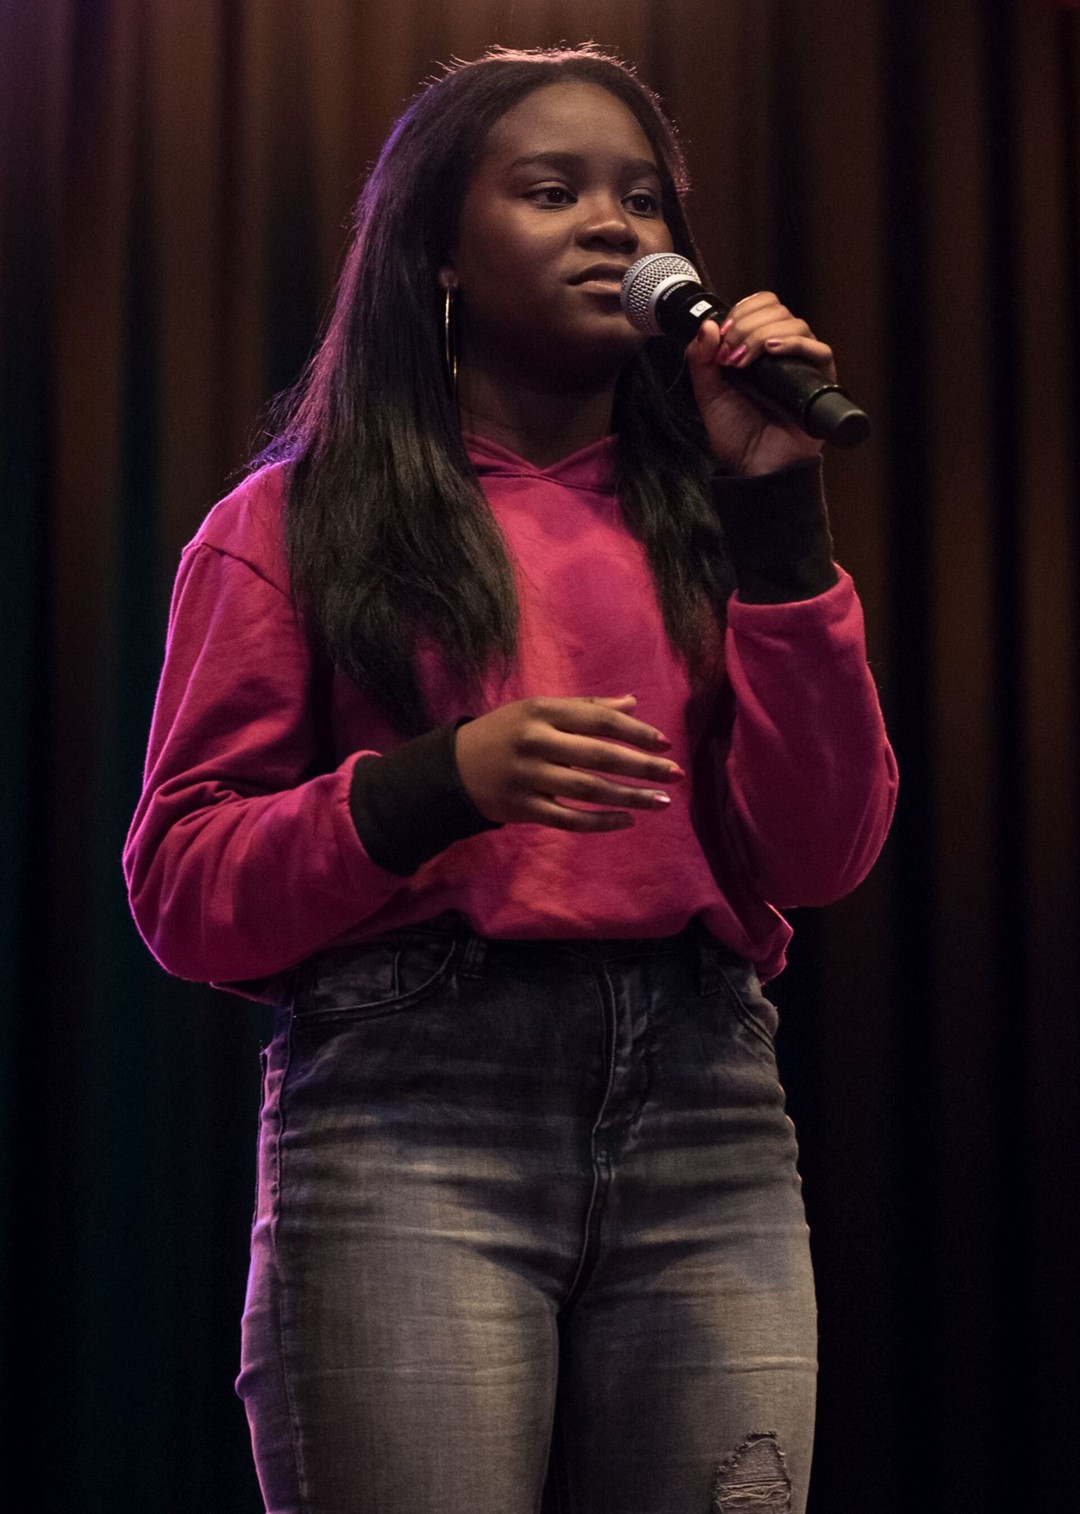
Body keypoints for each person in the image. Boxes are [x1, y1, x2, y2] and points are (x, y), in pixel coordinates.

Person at [123, 43, 897, 1514]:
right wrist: (435, 784)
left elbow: (825, 851)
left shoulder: (710, 521)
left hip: (708, 1109)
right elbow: (182, 888)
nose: (615, 226)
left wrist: (782, 522)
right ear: (438, 254)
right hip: (414, 1116)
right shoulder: (291, 523)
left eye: (645, 202)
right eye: (553, 192)